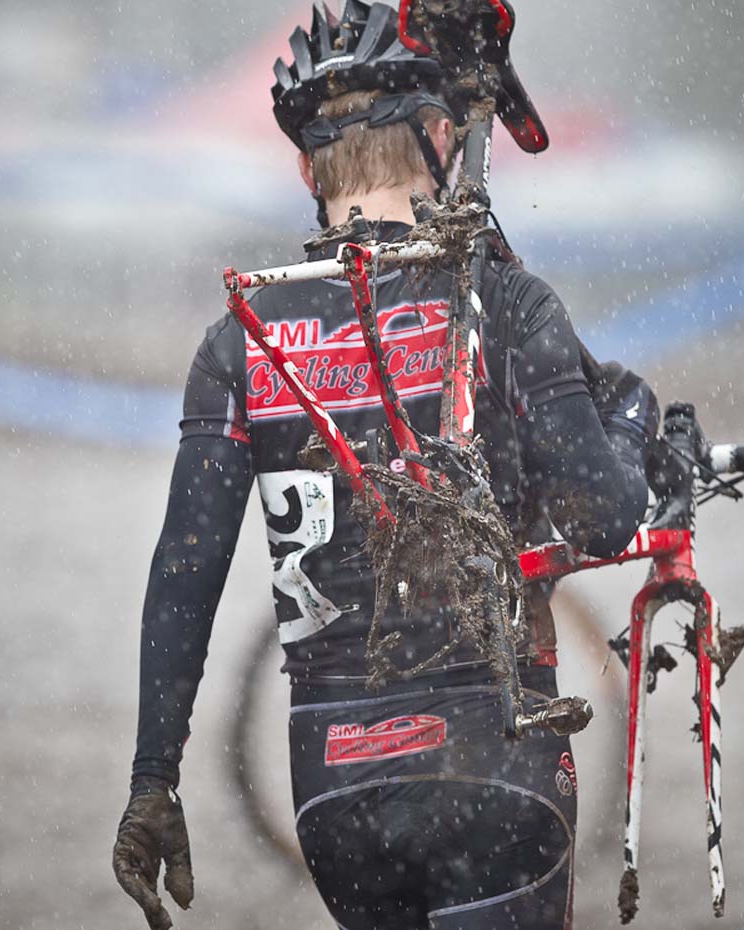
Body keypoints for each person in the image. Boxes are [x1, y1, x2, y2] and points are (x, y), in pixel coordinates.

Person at [112, 3, 658, 928]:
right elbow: (606, 516)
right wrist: (640, 423)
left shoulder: (241, 338)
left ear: (303, 167)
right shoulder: (504, 301)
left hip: (333, 788)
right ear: (444, 138)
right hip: (496, 767)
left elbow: (184, 569)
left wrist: (151, 781)